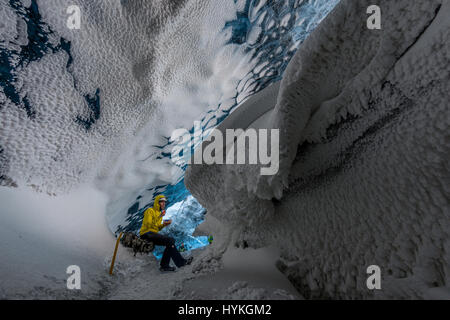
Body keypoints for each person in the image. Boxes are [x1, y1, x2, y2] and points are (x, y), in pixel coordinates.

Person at [139, 195, 193, 272]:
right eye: (162, 202)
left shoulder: (159, 213)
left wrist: (164, 224)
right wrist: (160, 216)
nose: (164, 203)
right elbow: (149, 224)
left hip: (152, 233)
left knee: (170, 242)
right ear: (157, 202)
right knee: (170, 240)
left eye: (164, 202)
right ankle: (180, 263)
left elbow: (156, 228)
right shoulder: (150, 211)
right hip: (146, 234)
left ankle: (164, 266)